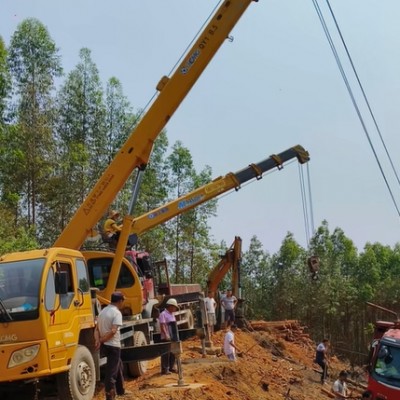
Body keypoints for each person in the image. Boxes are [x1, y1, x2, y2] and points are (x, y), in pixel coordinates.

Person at [94, 291, 127, 400]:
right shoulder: (116, 313)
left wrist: (98, 340)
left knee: (119, 365)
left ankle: (121, 391)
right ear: (120, 301)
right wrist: (102, 340)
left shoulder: (103, 311)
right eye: (123, 300)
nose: (123, 303)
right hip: (113, 345)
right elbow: (113, 331)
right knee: (111, 373)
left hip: (106, 346)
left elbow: (96, 329)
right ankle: (110, 397)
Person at [159, 298, 179, 375]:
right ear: (170, 306)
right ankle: (165, 369)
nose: (175, 309)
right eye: (174, 307)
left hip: (173, 336)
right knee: (166, 353)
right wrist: (166, 335)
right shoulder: (163, 314)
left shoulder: (172, 314)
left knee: (172, 352)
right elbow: (162, 325)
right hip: (166, 337)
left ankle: (171, 367)